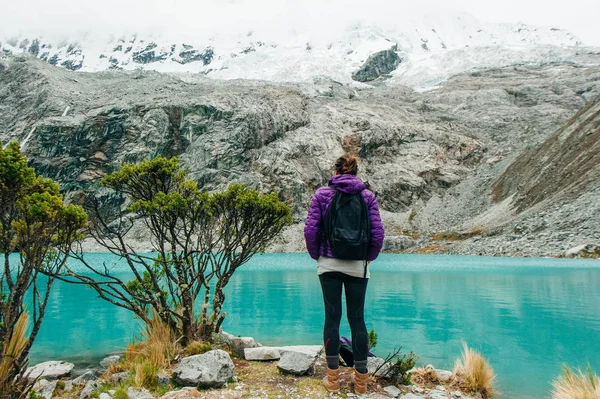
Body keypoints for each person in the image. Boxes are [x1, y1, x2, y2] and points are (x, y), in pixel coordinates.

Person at [304, 155, 385, 394]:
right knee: (357, 319)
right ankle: (360, 383)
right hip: (358, 265)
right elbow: (378, 234)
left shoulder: (322, 194)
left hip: (328, 263)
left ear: (336, 171)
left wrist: (316, 254)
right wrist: (368, 257)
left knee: (332, 318)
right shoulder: (367, 196)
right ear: (356, 172)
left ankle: (332, 381)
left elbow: (311, 230)